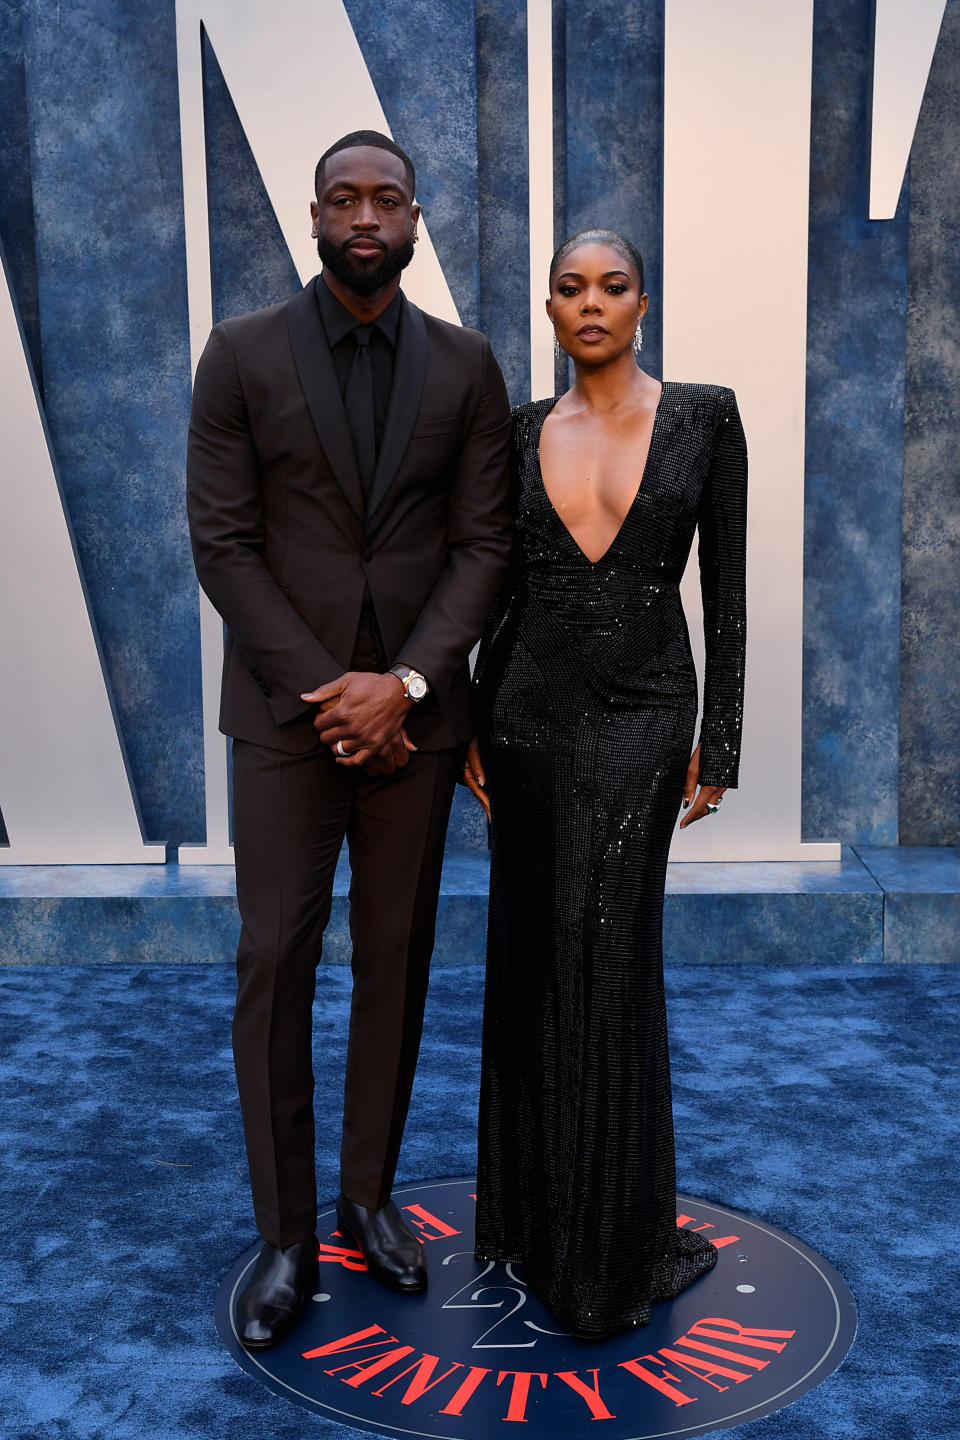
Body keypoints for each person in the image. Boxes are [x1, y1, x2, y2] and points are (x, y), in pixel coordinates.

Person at [187, 131, 512, 1349]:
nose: (364, 215)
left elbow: (485, 544)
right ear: (313, 218)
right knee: (276, 961)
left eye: (387, 198)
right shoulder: (240, 356)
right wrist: (336, 689)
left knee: (397, 959)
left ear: (417, 221)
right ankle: (284, 1238)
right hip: (287, 720)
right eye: (343, 198)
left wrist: (410, 685)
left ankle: (366, 1200)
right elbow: (224, 544)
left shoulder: (468, 367)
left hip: (417, 729)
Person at [464, 229, 747, 1338]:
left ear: (643, 302)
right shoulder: (519, 429)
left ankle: (611, 1250)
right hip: (525, 716)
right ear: (548, 310)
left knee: (610, 951)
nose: (591, 304)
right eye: (571, 289)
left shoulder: (705, 416)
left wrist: (717, 744)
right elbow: (494, 589)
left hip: (643, 717)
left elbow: (723, 588)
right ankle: (538, 1223)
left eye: (612, 287)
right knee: (536, 945)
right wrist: (471, 725)